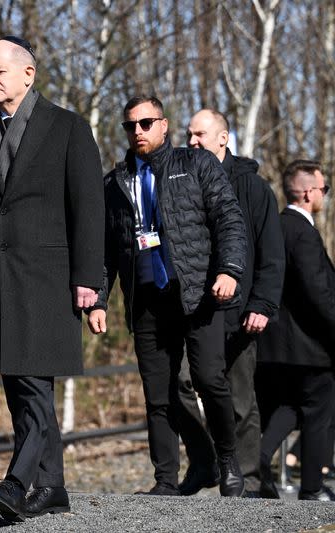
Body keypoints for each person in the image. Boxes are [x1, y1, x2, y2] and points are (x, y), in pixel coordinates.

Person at [0, 36, 104, 520]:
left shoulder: (68, 128)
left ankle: (18, 483)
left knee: (35, 384)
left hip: (49, 281)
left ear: (28, 74)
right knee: (18, 385)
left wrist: (90, 280)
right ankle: (52, 487)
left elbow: (89, 210)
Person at [88, 96, 248, 497]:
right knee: (158, 395)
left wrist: (229, 270)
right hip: (147, 300)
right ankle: (165, 480)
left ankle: (227, 460)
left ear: (164, 125)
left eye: (145, 123)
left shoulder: (195, 164)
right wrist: (99, 299)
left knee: (211, 381)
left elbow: (228, 219)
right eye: (130, 126)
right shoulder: (115, 182)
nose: (137, 132)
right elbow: (106, 249)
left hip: (197, 294)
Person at [175, 109, 284, 497]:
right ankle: (206, 461)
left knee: (239, 399)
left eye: (199, 135)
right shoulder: (182, 181)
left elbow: (272, 254)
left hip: (240, 312)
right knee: (180, 384)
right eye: (188, 134)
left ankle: (251, 480)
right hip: (192, 311)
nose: (191, 142)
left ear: (223, 139)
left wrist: (262, 304)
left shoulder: (253, 188)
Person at [256, 160, 335, 501]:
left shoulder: (273, 226)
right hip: (310, 346)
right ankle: (313, 489)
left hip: (275, 345)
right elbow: (318, 292)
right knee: (320, 412)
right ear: (307, 192)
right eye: (323, 189)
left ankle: (256, 459)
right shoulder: (303, 233)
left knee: (289, 407)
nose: (325, 196)